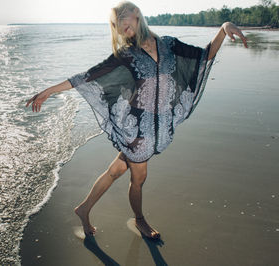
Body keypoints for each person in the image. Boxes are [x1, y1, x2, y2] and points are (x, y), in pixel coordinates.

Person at [25, 1, 248, 239]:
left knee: (115, 170)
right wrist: (49, 91)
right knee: (139, 178)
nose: (120, 25)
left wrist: (224, 28)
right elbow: (88, 76)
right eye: (115, 23)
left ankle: (84, 208)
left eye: (123, 17)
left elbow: (205, 55)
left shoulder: (169, 45)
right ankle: (140, 220)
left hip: (158, 125)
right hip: (137, 130)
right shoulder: (126, 55)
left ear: (136, 14)